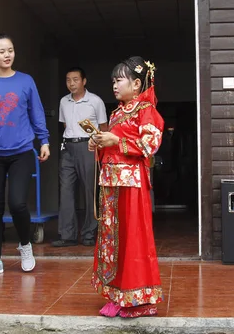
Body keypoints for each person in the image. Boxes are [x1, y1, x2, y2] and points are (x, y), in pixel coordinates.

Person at [0, 33, 50, 277]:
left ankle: (26, 246)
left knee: (17, 203)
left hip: (22, 152)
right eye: (2, 51)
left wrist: (43, 140)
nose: (7, 55)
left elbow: (37, 112)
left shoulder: (26, 81)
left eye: (10, 50)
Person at [89, 56, 164, 318]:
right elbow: (113, 145)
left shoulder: (146, 111)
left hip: (132, 185)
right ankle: (117, 293)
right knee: (113, 240)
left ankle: (138, 298)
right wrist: (100, 144)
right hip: (111, 183)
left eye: (119, 79)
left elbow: (149, 145)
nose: (114, 84)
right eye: (113, 80)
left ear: (136, 83)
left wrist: (115, 140)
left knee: (132, 239)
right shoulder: (117, 113)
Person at [53, 67, 108, 247]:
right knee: (66, 190)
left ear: (84, 81)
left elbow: (104, 128)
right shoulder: (63, 102)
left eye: (76, 79)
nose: (72, 83)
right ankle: (67, 235)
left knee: (90, 191)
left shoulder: (95, 101)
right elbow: (65, 125)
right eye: (68, 80)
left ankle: (89, 233)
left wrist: (97, 146)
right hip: (68, 147)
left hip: (89, 147)